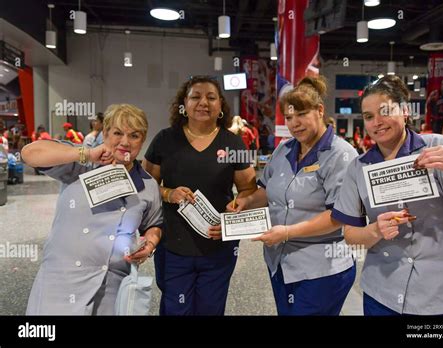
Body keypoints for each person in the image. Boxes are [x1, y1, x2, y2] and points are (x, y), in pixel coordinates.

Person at [331, 76, 443, 315]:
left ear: (405, 111)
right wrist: (375, 230)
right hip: (383, 294)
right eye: (368, 116)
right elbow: (351, 236)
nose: (377, 122)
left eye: (385, 111)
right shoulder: (358, 167)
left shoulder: (438, 147)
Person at [227, 76, 358, 315]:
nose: (294, 123)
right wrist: (245, 201)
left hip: (321, 269)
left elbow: (338, 216)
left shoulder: (341, 155)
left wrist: (287, 232)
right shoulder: (284, 149)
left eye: (301, 114)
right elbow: (265, 192)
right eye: (288, 117)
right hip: (280, 263)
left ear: (319, 110)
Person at [22, 104, 163, 315]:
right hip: (61, 282)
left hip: (111, 287)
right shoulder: (80, 162)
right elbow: (29, 153)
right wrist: (86, 153)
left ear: (142, 141)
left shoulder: (148, 184)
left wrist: (150, 243)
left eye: (134, 135)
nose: (125, 142)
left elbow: (153, 223)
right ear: (105, 133)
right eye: (117, 133)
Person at [142, 75, 257, 316]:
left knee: (210, 309)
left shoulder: (233, 144)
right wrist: (168, 192)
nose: (203, 102)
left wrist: (235, 211)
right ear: (184, 103)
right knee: (176, 309)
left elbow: (249, 190)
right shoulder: (165, 139)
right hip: (173, 244)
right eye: (195, 96)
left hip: (217, 245)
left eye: (211, 97)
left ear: (220, 106)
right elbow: (145, 184)